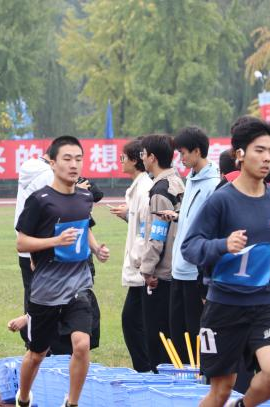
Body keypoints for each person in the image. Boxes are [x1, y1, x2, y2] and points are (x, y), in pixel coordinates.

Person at [182, 118, 270, 407]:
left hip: (265, 302)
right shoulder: (221, 200)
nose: (267, 158)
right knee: (221, 391)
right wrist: (223, 245)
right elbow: (189, 247)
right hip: (223, 306)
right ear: (239, 154)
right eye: (259, 150)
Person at [14, 135, 110, 407]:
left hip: (78, 285)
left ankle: (72, 403)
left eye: (78, 159)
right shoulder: (40, 200)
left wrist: (96, 249)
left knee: (81, 345)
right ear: (53, 163)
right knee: (37, 353)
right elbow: (22, 242)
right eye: (67, 159)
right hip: (46, 290)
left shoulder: (85, 197)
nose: (73, 164)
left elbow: (84, 227)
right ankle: (23, 397)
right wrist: (55, 241)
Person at [164, 127, 220, 364]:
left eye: (184, 152)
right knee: (178, 335)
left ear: (197, 151)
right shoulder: (191, 180)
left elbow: (211, 230)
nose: (181, 158)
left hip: (194, 273)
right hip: (179, 269)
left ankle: (199, 380)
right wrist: (178, 217)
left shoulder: (213, 185)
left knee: (196, 337)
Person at [137, 134, 185, 372]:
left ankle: (160, 379)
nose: (141, 158)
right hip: (176, 269)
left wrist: (147, 270)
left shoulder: (159, 190)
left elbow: (158, 234)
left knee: (157, 337)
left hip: (162, 275)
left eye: (143, 154)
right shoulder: (177, 181)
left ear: (152, 158)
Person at [108, 139, 153, 372]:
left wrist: (140, 261)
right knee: (136, 322)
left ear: (135, 160)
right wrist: (128, 215)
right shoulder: (137, 188)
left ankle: (146, 371)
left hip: (144, 269)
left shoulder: (144, 189)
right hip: (141, 268)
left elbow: (146, 230)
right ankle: (145, 369)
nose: (121, 162)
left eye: (123, 158)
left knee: (132, 322)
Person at [13, 148, 54, 346]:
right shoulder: (48, 175)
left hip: (26, 244)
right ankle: (39, 346)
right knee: (44, 299)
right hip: (40, 248)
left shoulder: (28, 169)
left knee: (31, 295)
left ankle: (31, 342)